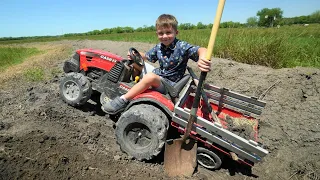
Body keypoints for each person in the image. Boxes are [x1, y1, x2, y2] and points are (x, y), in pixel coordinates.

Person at [102, 14, 212, 114]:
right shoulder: (159, 47)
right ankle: (136, 84)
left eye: (168, 32)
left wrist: (203, 57)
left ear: (176, 32)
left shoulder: (181, 46)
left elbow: (201, 50)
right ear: (157, 34)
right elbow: (147, 56)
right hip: (160, 76)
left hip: (170, 84)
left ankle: (123, 99)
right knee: (134, 64)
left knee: (150, 77)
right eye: (161, 33)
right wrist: (135, 54)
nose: (164, 36)